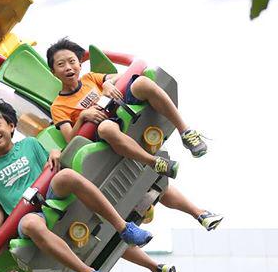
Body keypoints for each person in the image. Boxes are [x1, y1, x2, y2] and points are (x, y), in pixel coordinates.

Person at [0, 99, 150, 272]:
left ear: (11, 126)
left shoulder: (29, 145)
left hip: (49, 197)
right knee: (31, 224)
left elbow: (52, 168)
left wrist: (55, 152)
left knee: (66, 175)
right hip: (26, 217)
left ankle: (124, 227)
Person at [47, 38, 223, 239]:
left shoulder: (90, 79)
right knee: (107, 130)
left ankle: (186, 132)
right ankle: (156, 164)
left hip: (123, 111)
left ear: (79, 64)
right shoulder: (59, 106)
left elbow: (120, 77)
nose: (68, 67)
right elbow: (70, 138)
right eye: (61, 64)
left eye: (72, 61)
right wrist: (83, 118)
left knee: (141, 82)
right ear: (54, 71)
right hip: (102, 132)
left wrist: (107, 84)